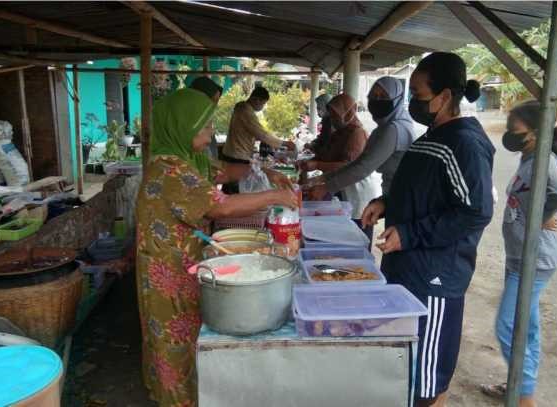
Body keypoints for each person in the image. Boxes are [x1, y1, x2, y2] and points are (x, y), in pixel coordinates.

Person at [135, 88, 297, 406]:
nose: (211, 134)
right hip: (167, 268)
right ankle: (176, 400)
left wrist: (266, 172)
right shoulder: (169, 169)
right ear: (183, 126)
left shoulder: (186, 159)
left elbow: (227, 173)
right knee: (174, 339)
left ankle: (194, 395)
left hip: (186, 260)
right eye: (205, 126)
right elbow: (218, 207)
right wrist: (275, 197)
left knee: (190, 333)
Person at [361, 52, 494, 407]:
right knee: (406, 370)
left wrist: (409, 234)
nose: (413, 100)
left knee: (427, 381)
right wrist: (386, 203)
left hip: (434, 280)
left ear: (445, 96)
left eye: (418, 92)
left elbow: (475, 212)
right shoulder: (432, 136)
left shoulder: (465, 143)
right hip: (408, 271)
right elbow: (423, 190)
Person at [481, 101, 557, 407]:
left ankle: (525, 398)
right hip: (520, 257)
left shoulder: (542, 160)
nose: (509, 134)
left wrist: (543, 214)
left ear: (535, 132)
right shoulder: (529, 157)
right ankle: (518, 384)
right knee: (526, 328)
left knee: (507, 325)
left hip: (534, 259)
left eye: (514, 130)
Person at [305, 77, 415, 226]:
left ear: (397, 99)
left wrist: (326, 186)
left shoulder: (393, 129)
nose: (377, 101)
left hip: (397, 198)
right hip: (390, 195)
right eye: (373, 96)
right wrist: (324, 179)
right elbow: (359, 161)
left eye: (383, 97)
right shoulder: (383, 128)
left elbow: (363, 168)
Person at [299, 93, 378, 240]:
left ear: (349, 113)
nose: (333, 119)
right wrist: (313, 163)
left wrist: (317, 165)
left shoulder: (357, 134)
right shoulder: (340, 133)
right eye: (332, 115)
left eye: (336, 116)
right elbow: (328, 154)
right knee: (343, 232)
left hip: (358, 192)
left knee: (358, 235)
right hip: (342, 187)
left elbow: (348, 166)